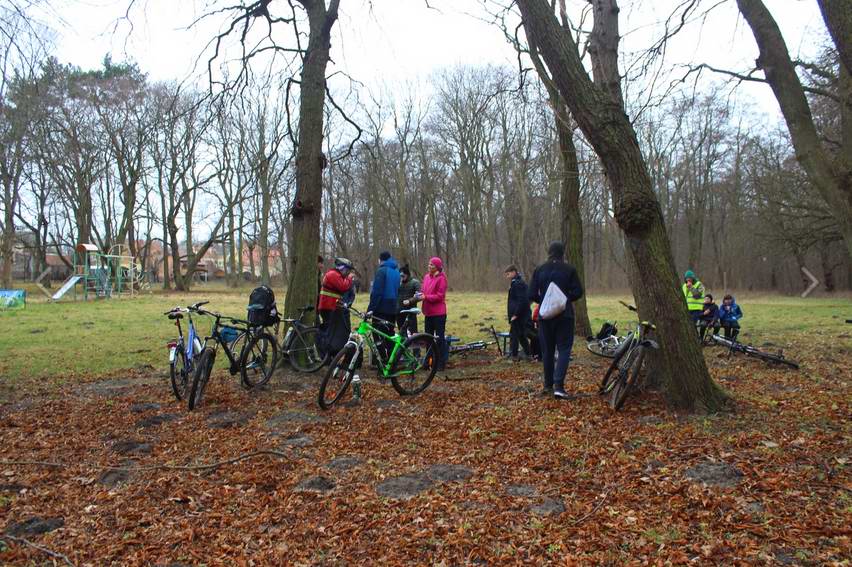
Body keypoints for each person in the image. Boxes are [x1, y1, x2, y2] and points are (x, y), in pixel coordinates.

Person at [528, 242, 583, 400]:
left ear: (549, 252)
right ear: (562, 253)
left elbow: (531, 294)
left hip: (545, 317)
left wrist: (545, 302)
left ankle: (547, 385)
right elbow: (578, 291)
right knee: (564, 349)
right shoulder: (569, 269)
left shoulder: (539, 269)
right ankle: (559, 387)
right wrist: (563, 300)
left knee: (547, 351)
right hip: (565, 316)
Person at [368, 251, 401, 362]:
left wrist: (370, 309)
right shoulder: (396, 271)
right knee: (389, 334)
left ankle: (382, 360)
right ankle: (392, 361)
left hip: (381, 308)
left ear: (380, 259)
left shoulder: (381, 271)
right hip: (393, 307)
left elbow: (377, 292)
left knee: (377, 334)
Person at [317, 257, 354, 356]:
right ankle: (325, 355)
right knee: (329, 333)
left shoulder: (336, 274)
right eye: (347, 270)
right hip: (327, 307)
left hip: (331, 307)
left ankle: (330, 354)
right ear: (342, 268)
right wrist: (349, 278)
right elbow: (343, 287)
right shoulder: (333, 274)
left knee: (333, 332)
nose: (347, 273)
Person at [417, 257, 448, 371]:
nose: (429, 266)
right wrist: (420, 295)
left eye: (432, 265)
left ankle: (440, 363)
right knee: (428, 338)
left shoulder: (442, 279)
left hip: (439, 313)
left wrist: (426, 297)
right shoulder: (426, 277)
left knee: (439, 339)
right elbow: (424, 291)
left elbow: (440, 296)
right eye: (429, 264)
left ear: (437, 267)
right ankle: (428, 362)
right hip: (428, 312)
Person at [504, 264, 532, 361]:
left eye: (508, 274)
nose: (507, 276)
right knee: (520, 335)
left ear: (513, 272)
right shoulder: (515, 282)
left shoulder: (518, 283)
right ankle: (528, 354)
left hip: (519, 315)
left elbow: (522, 300)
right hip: (519, 315)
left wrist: (516, 314)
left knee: (514, 335)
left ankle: (514, 356)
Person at [397, 264, 421, 336]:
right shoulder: (398, 283)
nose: (401, 278)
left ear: (407, 275)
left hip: (410, 312)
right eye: (400, 276)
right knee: (401, 333)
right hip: (399, 312)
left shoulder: (415, 282)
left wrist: (410, 301)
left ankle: (415, 347)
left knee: (413, 333)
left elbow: (419, 296)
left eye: (403, 276)